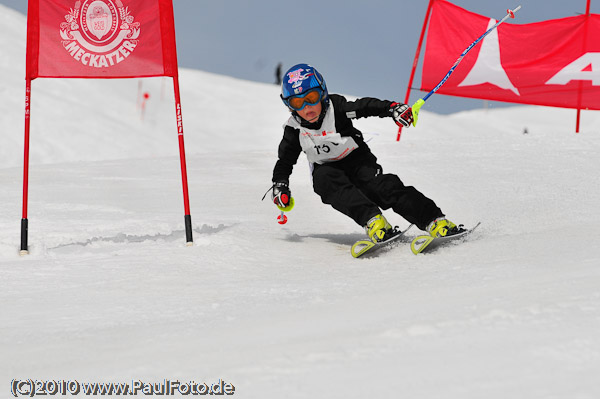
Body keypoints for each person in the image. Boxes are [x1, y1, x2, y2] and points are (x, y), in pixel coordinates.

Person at [269, 63, 459, 243]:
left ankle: (434, 220)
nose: (306, 108)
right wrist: (280, 185)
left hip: (357, 160)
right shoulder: (294, 129)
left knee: (382, 187)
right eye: (297, 103)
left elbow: (364, 106)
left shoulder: (337, 109)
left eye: (311, 98)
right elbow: (285, 161)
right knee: (324, 182)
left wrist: (392, 109)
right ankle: (374, 222)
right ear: (289, 105)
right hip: (326, 168)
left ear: (322, 93)